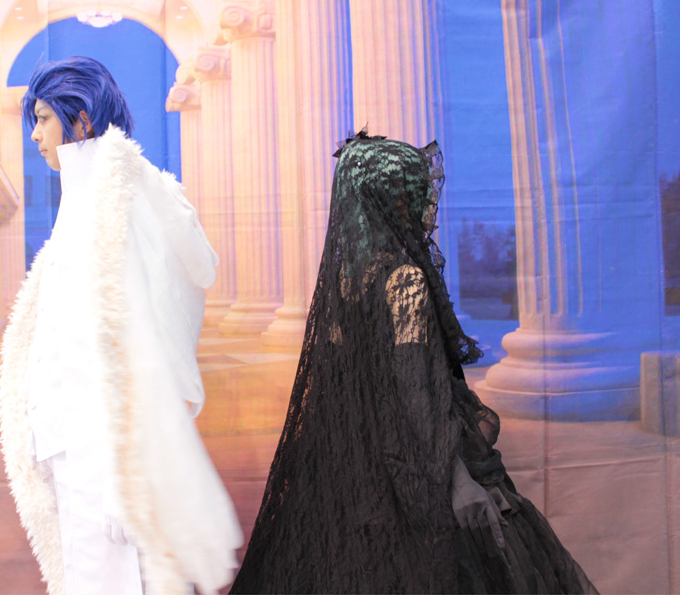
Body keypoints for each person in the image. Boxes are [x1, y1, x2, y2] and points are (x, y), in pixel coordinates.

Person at [230, 132, 597, 594]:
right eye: (414, 192)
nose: (427, 206)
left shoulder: (347, 282)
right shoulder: (404, 281)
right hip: (420, 471)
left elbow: (356, 394)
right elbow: (415, 394)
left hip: (359, 474)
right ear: (390, 200)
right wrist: (459, 481)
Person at [0, 57, 242, 595]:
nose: (35, 135)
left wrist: (129, 474)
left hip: (105, 457)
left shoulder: (121, 204)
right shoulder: (83, 203)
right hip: (74, 450)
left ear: (81, 119)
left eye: (43, 118)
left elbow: (152, 337)